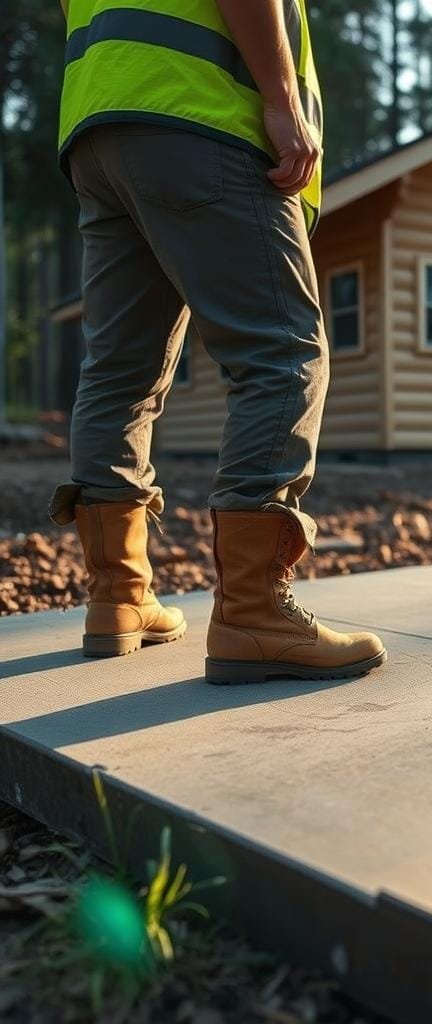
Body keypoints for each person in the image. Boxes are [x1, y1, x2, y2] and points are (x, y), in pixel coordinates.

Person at [50, 0, 387, 684]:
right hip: (200, 111)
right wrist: (281, 97)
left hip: (100, 126)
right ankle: (252, 614)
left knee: (120, 370)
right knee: (283, 350)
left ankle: (117, 597)